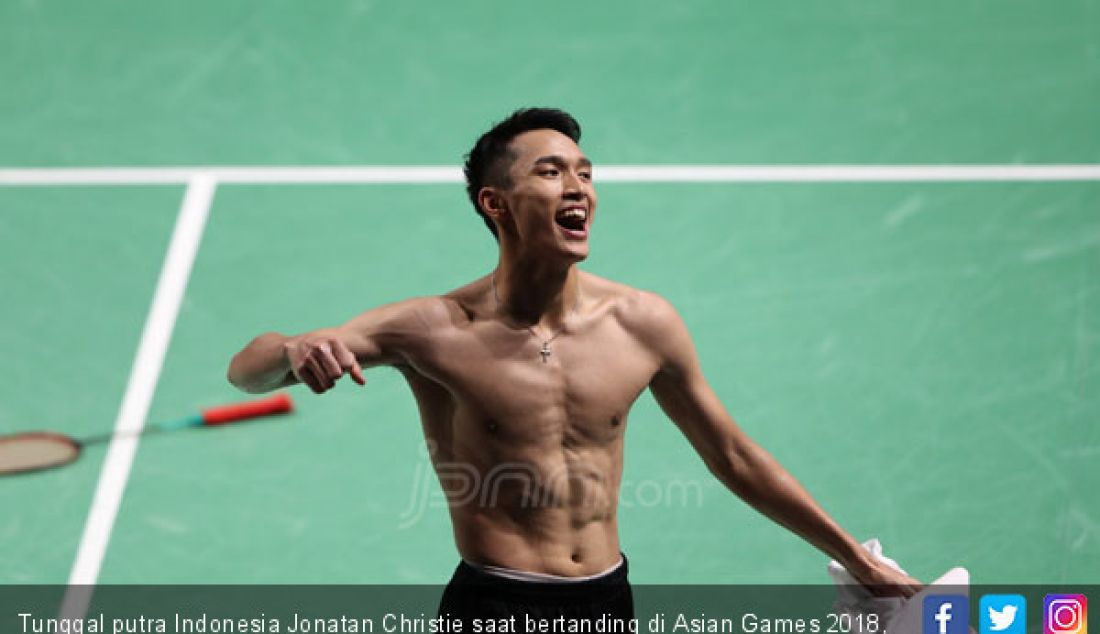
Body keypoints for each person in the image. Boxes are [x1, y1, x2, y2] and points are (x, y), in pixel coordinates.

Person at [227, 108, 920, 622]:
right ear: (495, 204)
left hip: (606, 598)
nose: (578, 186)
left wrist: (856, 557)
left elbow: (734, 455)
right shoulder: (433, 329)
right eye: (551, 172)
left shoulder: (642, 323)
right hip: (496, 602)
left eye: (585, 172)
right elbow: (248, 372)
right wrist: (292, 350)